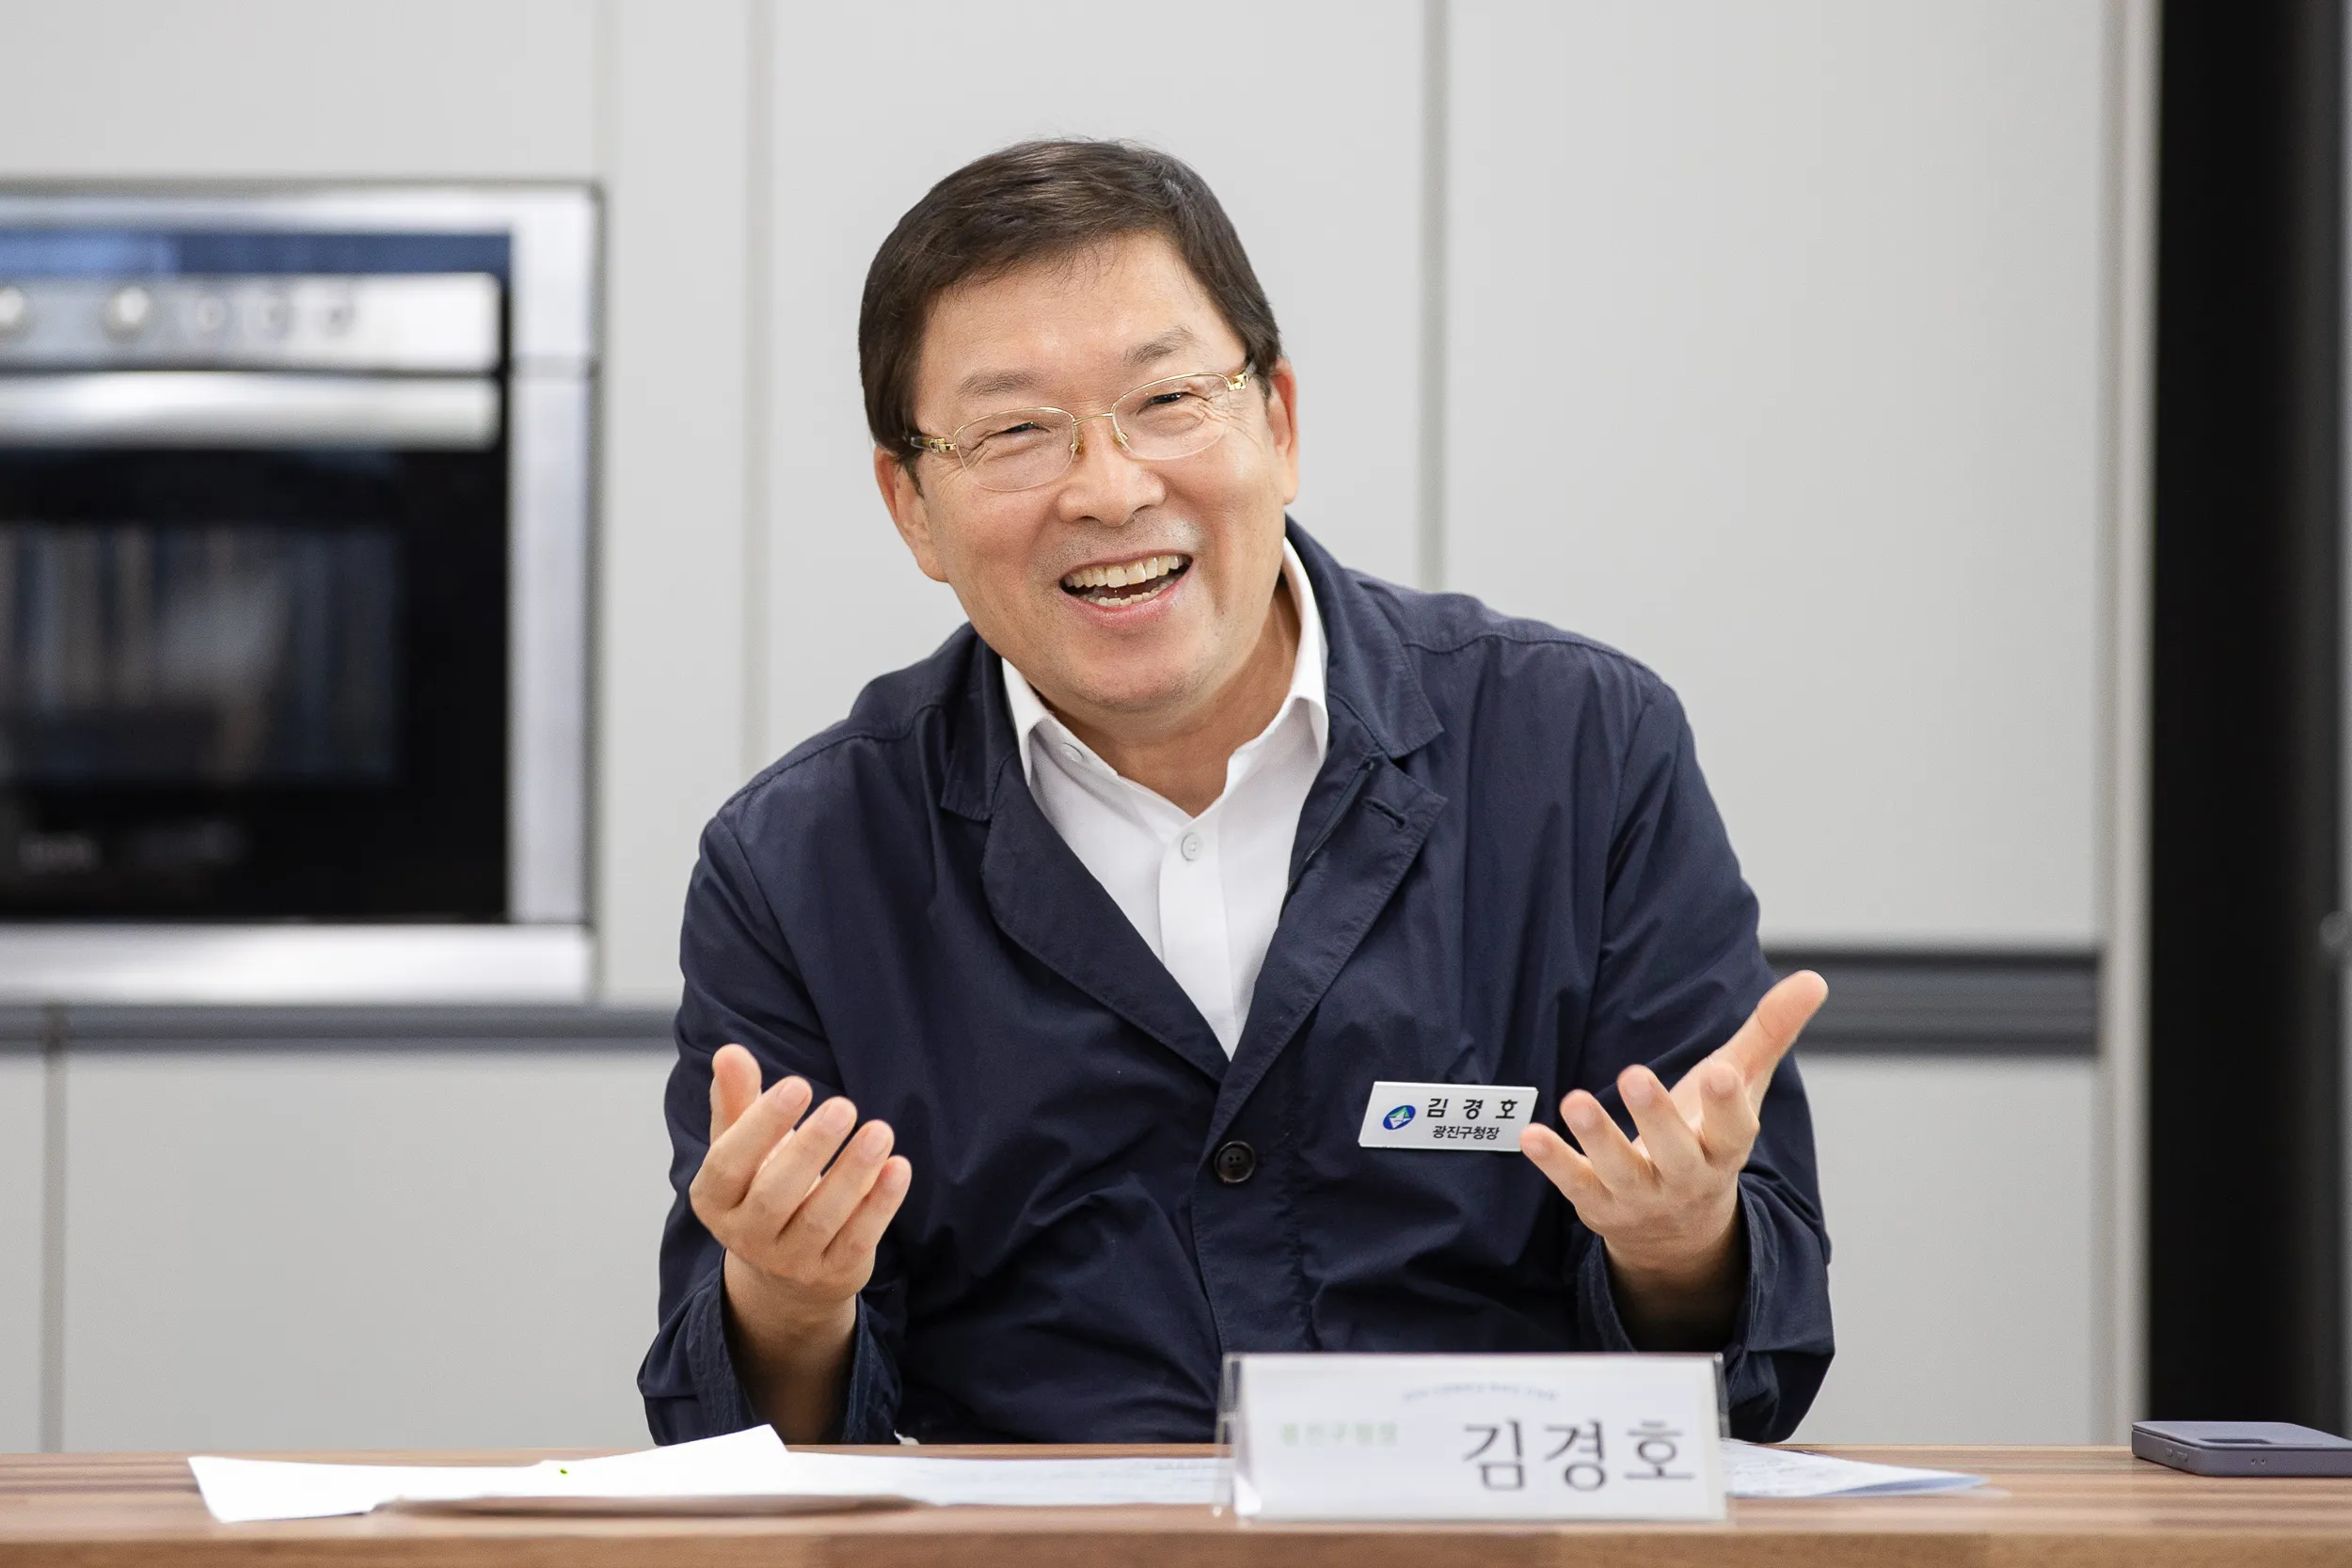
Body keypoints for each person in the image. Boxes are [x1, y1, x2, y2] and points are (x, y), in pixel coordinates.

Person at [641, 138, 1834, 1447]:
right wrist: (790, 1301)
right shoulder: (800, 865)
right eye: (1015, 431)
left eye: (1167, 400)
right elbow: (739, 1444)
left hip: (1479, 1525)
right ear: (911, 505)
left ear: (1280, 422)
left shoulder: (1580, 752)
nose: (1109, 489)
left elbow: (1758, 1367)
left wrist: (1675, 1244)